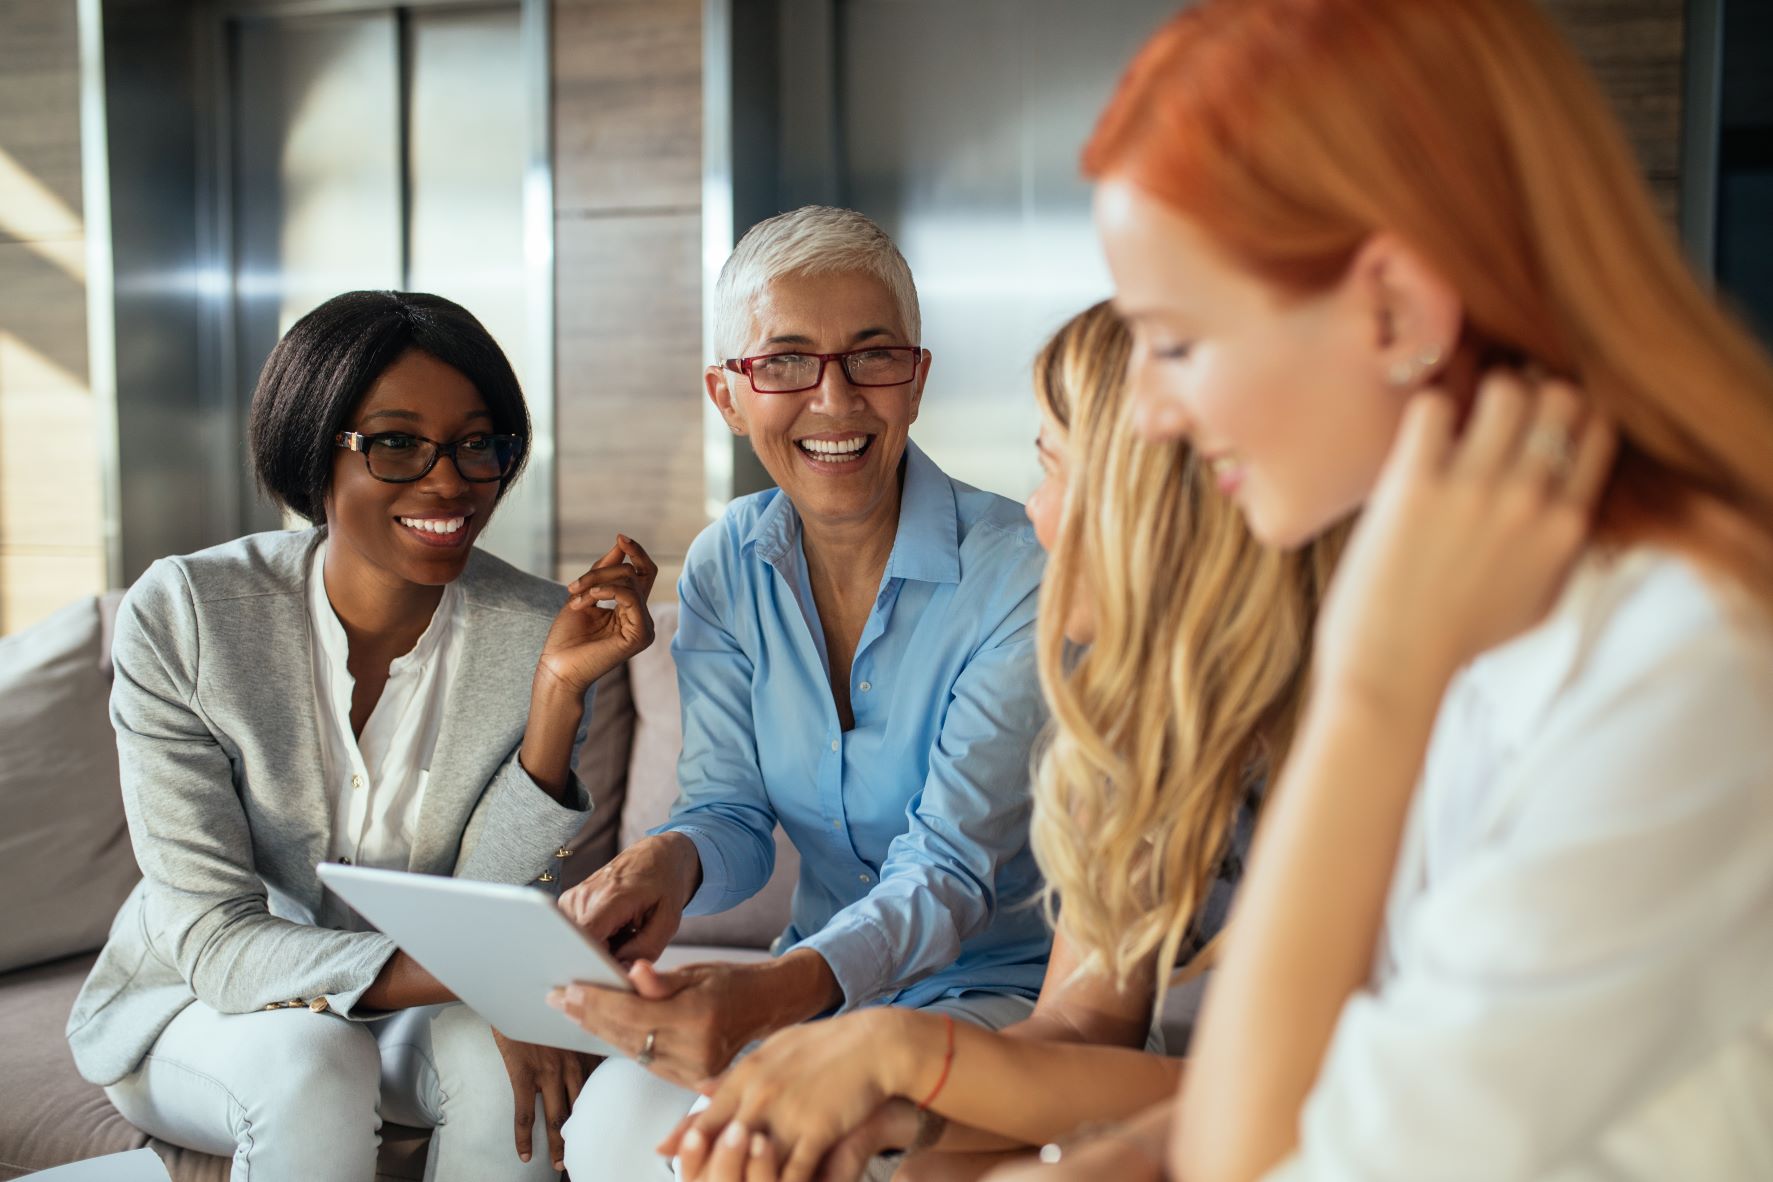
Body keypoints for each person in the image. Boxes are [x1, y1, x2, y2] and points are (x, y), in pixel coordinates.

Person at [1008, 1, 1773, 1178]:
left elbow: (1271, 1161)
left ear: (1398, 310)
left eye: (1175, 341)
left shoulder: (1689, 667)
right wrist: (1139, 1154)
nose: (1151, 414)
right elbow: (1367, 1071)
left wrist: (1374, 687)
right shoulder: (1501, 604)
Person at [663, 301, 1347, 1182]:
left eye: (1053, 469)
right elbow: (1080, 1027)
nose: (1032, 516)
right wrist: (890, 1113)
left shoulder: (1356, 724)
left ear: (1160, 500)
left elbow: (1335, 1087)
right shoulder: (1142, 735)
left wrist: (897, 1057)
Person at [65, 290, 657, 1181]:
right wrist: (497, 980)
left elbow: (483, 905)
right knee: (313, 1063)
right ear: (314, 451)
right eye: (395, 443)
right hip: (196, 1007)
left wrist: (557, 695)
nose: (450, 479)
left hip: (410, 1005)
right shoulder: (188, 614)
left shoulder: (537, 625)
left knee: (512, 1083)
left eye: (476, 442)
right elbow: (219, 941)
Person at [550, 206, 1054, 1179]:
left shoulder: (1020, 572)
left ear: (916, 378)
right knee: (617, 1123)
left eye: (873, 357)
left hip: (1004, 997)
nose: (834, 399)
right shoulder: (726, 563)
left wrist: (779, 992)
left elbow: (949, 869)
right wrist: (666, 864)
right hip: (821, 985)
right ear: (728, 396)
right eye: (783, 361)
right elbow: (730, 812)